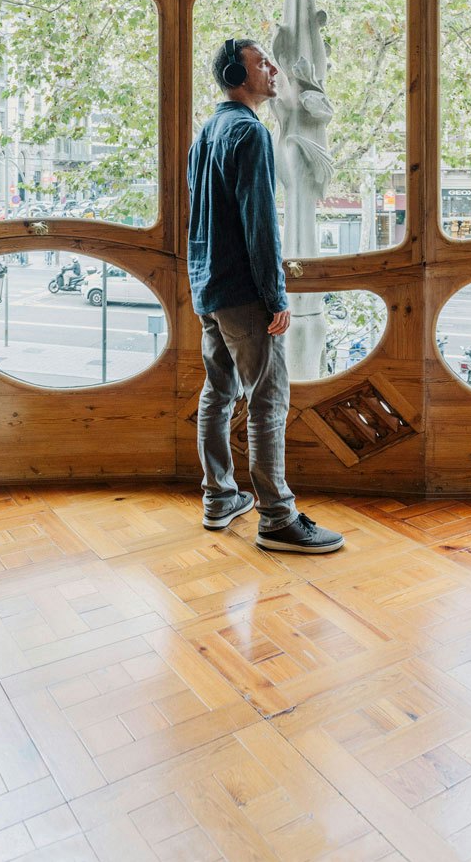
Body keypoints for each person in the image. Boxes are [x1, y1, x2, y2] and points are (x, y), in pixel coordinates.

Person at [186, 37, 344, 554]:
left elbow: (202, 218)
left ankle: (219, 498)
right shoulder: (250, 133)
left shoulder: (206, 133)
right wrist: (276, 296)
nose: (273, 69)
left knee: (218, 392)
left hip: (208, 287)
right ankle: (277, 516)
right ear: (237, 73)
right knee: (268, 401)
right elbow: (260, 225)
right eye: (261, 62)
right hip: (243, 293)